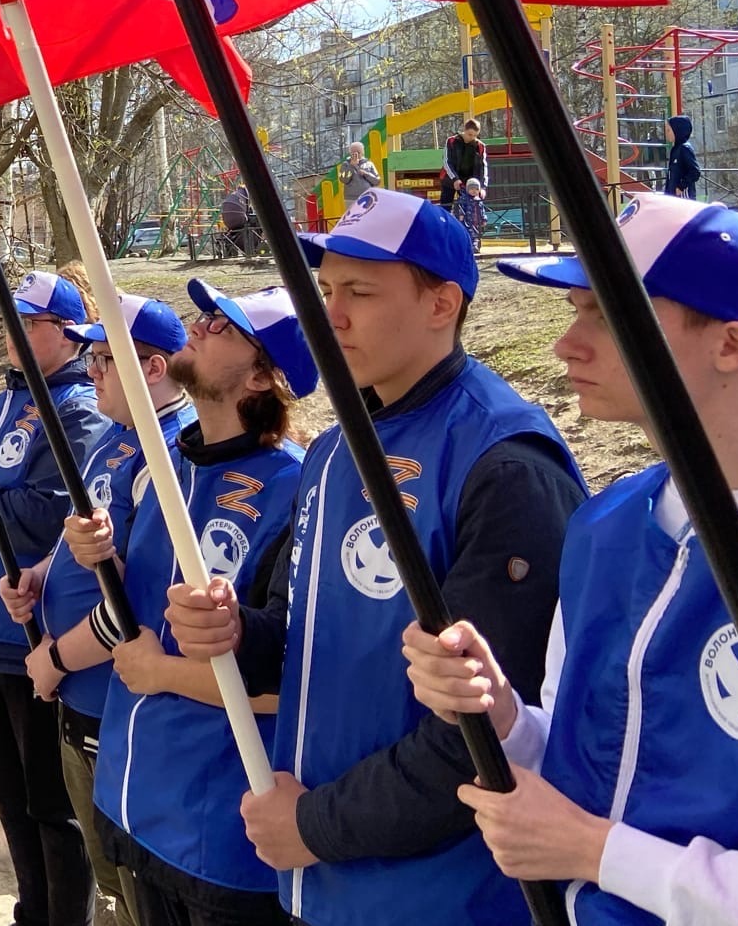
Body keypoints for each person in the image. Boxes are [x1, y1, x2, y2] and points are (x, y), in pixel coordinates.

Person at [165, 187, 586, 926]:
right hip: (323, 884)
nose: (332, 315)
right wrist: (238, 634)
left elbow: (485, 736)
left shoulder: (505, 460)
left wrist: (314, 826)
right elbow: (301, 643)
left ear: (441, 304)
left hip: (440, 898)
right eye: (325, 290)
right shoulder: (332, 451)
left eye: (359, 291)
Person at [402, 193, 738, 925]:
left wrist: (597, 853)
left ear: (732, 346)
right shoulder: (602, 524)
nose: (566, 345)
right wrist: (504, 715)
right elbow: (584, 759)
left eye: (605, 314)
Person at [75, 282, 319, 926]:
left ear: (263, 376)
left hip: (217, 834)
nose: (200, 326)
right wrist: (101, 556)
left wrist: (162, 674)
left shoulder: (296, 489)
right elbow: (144, 603)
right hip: (137, 799)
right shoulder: (164, 464)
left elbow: (293, 680)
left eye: (223, 327)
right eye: (206, 315)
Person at [0, 293, 200, 920]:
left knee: (130, 880)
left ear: (154, 369)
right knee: (107, 864)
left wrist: (55, 658)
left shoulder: (168, 458)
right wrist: (35, 575)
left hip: (114, 701)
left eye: (106, 361)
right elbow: (78, 543)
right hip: (79, 699)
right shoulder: (115, 438)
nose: (92, 373)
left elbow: (133, 607)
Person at [0, 268, 113, 926]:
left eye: (26, 322)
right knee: (4, 786)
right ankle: (29, 910)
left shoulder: (76, 409)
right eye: (6, 319)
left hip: (31, 638)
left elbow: (44, 515)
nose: (9, 332)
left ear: (65, 333)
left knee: (49, 804)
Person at [440, 117, 489, 209]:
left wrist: (483, 187)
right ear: (464, 130)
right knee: (445, 207)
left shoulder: (480, 146)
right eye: (470, 134)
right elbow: (447, 162)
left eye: (475, 136)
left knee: (470, 209)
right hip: (449, 180)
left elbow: (483, 167)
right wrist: (455, 178)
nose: (472, 138)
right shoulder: (451, 141)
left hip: (469, 183)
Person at [665, 114, 703, 199]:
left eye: (668, 130)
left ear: (677, 130)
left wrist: (681, 187)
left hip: (684, 197)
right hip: (674, 197)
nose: (666, 134)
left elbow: (695, 171)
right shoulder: (675, 149)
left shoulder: (684, 148)